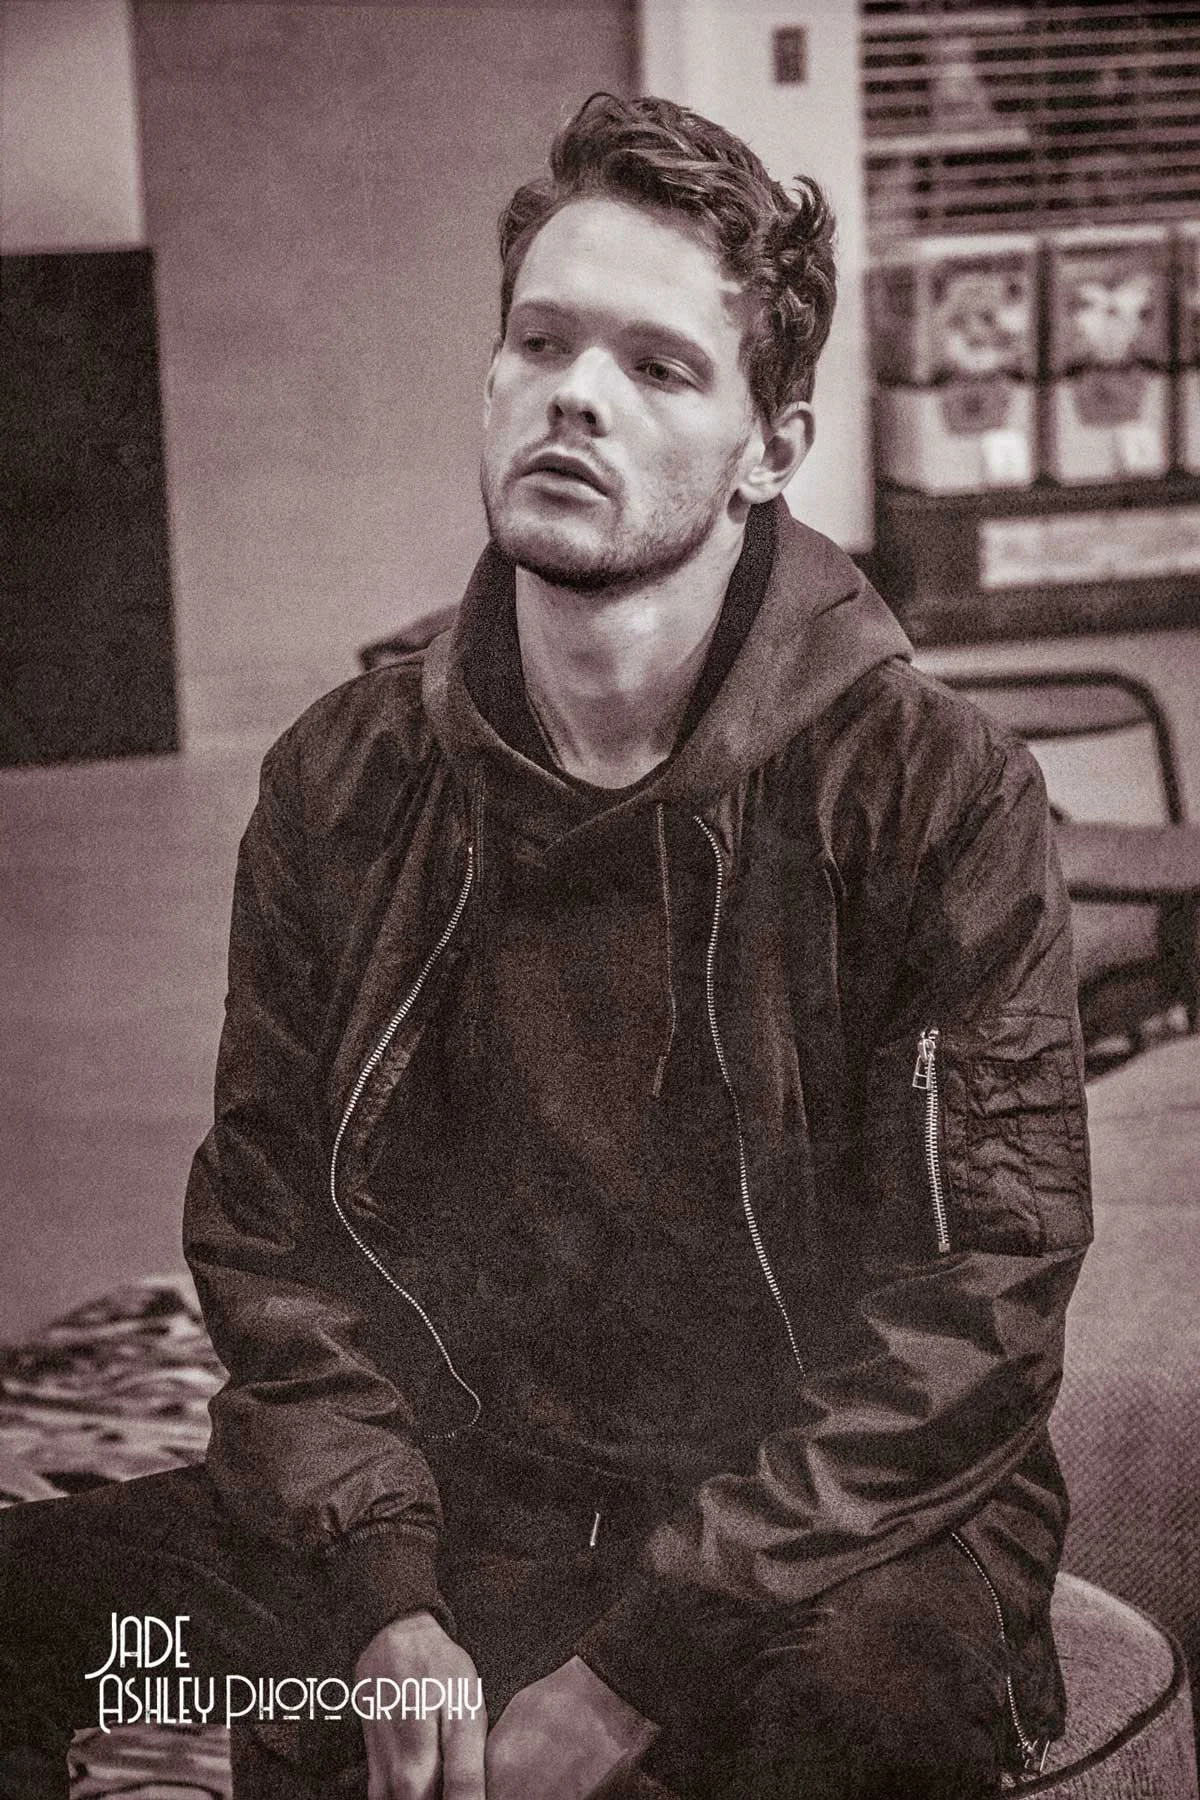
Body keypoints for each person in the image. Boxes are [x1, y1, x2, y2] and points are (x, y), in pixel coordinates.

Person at [0, 92, 1092, 1800]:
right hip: (471, 1509)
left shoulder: (935, 795)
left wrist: (629, 1676)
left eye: (661, 367)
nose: (576, 391)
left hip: (808, 1546)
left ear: (772, 449)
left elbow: (979, 1306)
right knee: (58, 1621)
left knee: (859, 1730)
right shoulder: (343, 779)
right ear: (493, 378)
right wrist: (383, 1601)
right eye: (541, 341)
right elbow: (277, 1248)